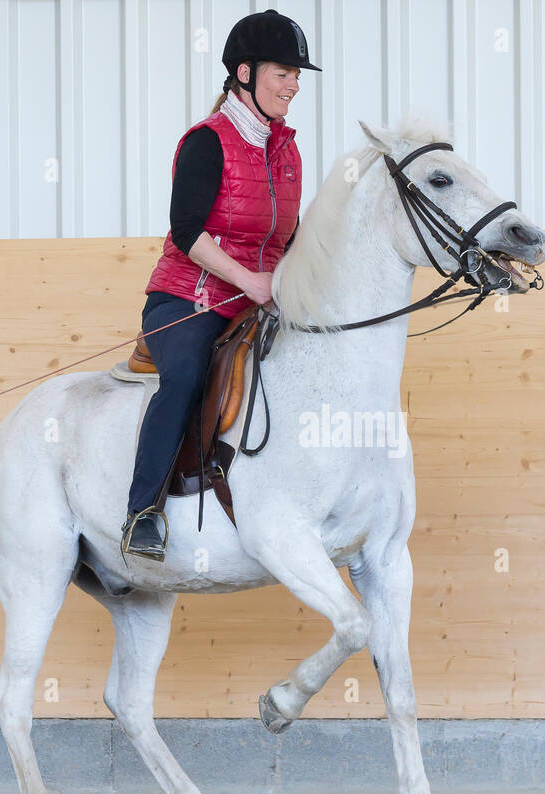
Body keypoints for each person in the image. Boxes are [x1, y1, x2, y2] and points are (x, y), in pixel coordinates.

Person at [120, 10, 320, 562]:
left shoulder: (286, 150)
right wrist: (253, 282)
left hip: (258, 300)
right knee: (184, 377)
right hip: (190, 299)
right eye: (283, 73)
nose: (294, 84)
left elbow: (290, 233)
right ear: (245, 73)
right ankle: (143, 512)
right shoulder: (207, 142)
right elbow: (188, 232)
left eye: (297, 75)